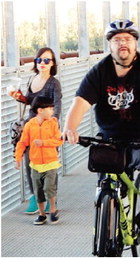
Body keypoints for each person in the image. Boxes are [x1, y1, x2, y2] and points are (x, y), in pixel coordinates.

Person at [63, 19, 140, 222]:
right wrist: (70, 128)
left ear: (135, 44)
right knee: (104, 175)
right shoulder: (99, 71)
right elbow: (81, 102)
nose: (123, 43)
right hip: (110, 134)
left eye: (128, 39)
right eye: (117, 39)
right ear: (110, 45)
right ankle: (108, 221)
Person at [8, 47, 62, 214]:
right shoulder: (32, 79)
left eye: (47, 60)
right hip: (30, 127)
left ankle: (50, 197)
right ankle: (35, 196)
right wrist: (19, 97)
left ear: (52, 63)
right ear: (35, 62)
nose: (43, 63)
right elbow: (31, 101)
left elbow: (57, 106)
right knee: (30, 163)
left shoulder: (54, 83)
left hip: (47, 129)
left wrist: (52, 125)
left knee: (49, 165)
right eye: (40, 60)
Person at [15, 96, 63, 225]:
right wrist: (18, 158)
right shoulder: (30, 125)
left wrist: (43, 143)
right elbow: (23, 142)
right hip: (35, 164)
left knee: (49, 187)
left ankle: (53, 209)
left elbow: (59, 140)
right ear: (40, 110)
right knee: (38, 190)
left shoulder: (53, 123)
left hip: (50, 162)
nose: (52, 111)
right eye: (50, 109)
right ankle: (42, 215)